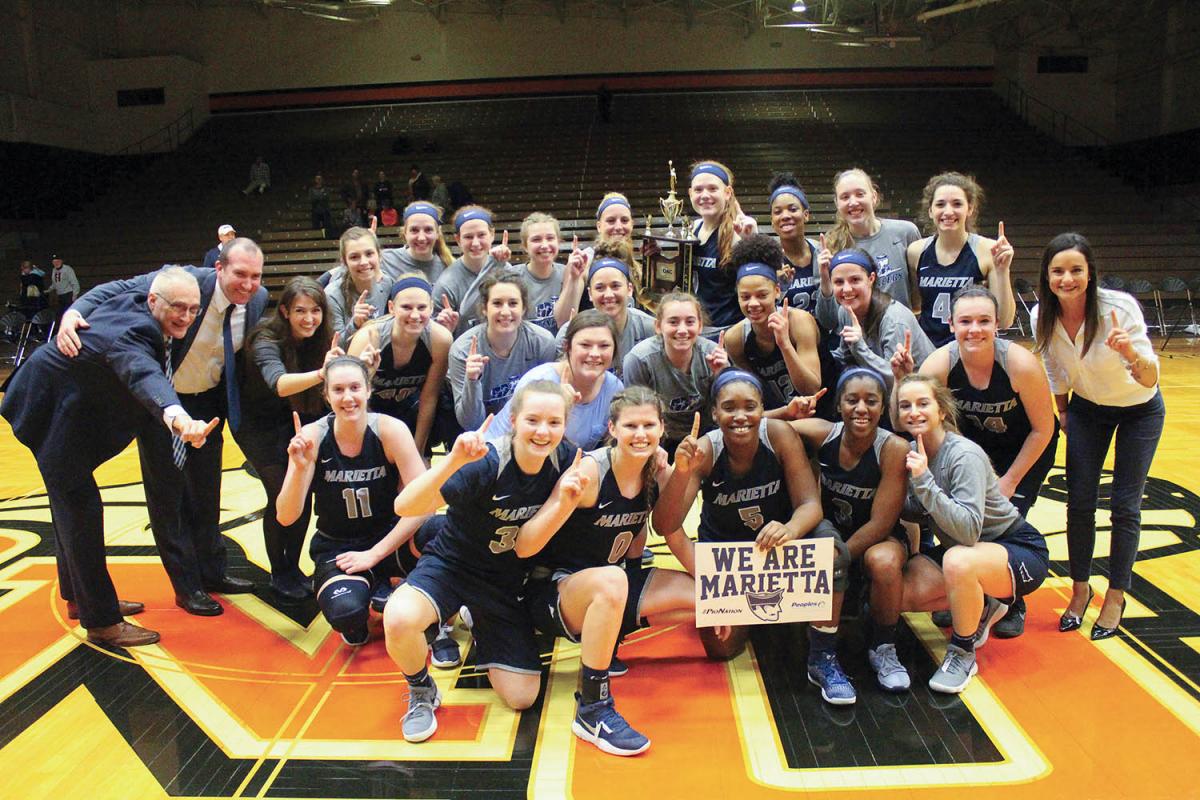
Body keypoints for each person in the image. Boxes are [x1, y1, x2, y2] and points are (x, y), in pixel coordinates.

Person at [2, 267, 218, 646]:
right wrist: (179, 419)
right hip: (50, 412)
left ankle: (77, 597)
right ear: (154, 301)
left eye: (193, 309)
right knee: (82, 513)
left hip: (64, 406)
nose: (185, 317)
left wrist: (71, 313)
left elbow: (113, 285)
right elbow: (142, 373)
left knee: (68, 509)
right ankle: (101, 620)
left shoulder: (143, 298)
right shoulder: (134, 335)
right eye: (178, 308)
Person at [56, 240, 269, 616]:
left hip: (209, 403)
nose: (248, 284)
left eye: (255, 276)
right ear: (219, 268)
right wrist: (74, 312)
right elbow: (116, 288)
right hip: (162, 400)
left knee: (206, 493)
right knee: (168, 497)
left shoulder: (257, 299)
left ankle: (213, 572)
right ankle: (186, 585)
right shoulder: (183, 283)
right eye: (240, 274)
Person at [383, 381, 576, 742]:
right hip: (454, 564)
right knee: (399, 618)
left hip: (504, 580)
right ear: (514, 420)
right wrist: (454, 460)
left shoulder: (566, 460)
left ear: (565, 425)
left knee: (522, 697)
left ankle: (479, 623)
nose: (543, 431)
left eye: (554, 422)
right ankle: (421, 689)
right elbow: (404, 507)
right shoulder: (486, 461)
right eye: (533, 420)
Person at [515, 388, 698, 755]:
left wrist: (681, 474)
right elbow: (525, 545)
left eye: (649, 425)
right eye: (631, 425)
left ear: (663, 428)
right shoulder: (590, 472)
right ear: (613, 428)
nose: (641, 434)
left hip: (609, 588)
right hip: (553, 589)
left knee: (707, 601)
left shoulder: (655, 469)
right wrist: (564, 501)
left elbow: (657, 527)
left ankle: (612, 632)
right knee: (613, 580)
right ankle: (593, 709)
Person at [652, 371, 852, 705]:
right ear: (716, 413)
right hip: (731, 559)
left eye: (750, 406)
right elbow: (664, 525)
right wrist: (681, 473)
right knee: (720, 649)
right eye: (729, 407)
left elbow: (810, 505)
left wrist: (790, 529)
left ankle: (823, 656)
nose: (741, 416)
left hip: (780, 547)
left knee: (832, 551)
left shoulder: (779, 435)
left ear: (762, 409)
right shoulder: (706, 450)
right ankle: (758, 612)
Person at [1030, 232, 1163, 640]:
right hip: (1087, 410)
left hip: (1139, 411)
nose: (1066, 279)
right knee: (1079, 503)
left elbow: (1151, 377)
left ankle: (1116, 595)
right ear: (1047, 275)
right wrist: (1064, 410)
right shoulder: (1042, 315)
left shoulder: (1118, 308)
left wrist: (1129, 353)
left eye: (1076, 270)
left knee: (1125, 506)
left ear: (1090, 273)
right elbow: (1053, 366)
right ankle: (1080, 589)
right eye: (1058, 271)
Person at [894, 374, 1050, 693]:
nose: (914, 411)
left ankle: (963, 652)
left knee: (957, 561)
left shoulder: (963, 455)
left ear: (941, 410)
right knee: (902, 594)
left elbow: (967, 531)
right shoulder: (912, 452)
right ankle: (987, 602)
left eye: (923, 403)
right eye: (905, 405)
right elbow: (915, 509)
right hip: (967, 552)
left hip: (1016, 548)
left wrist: (924, 481)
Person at [277, 357, 427, 645]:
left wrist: (375, 554)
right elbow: (286, 517)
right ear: (327, 395)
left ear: (369, 390)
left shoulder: (390, 430)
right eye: (338, 390)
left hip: (388, 539)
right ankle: (372, 595)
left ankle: (394, 588)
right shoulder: (312, 437)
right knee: (347, 613)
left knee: (440, 532)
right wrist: (297, 468)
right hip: (339, 545)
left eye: (355, 387)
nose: (348, 397)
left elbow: (425, 503)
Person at [788, 368, 911, 691]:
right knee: (823, 543)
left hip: (877, 539)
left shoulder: (893, 448)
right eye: (852, 400)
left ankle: (884, 647)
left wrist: (836, 559)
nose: (861, 409)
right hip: (832, 538)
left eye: (871, 401)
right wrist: (788, 411)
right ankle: (823, 652)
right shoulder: (821, 433)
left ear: (883, 408)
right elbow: (766, 428)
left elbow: (881, 523)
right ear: (839, 406)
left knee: (882, 561)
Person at [240, 277, 338, 601]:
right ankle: (279, 571)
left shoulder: (319, 339)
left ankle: (293, 567)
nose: (309, 318)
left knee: (304, 493)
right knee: (281, 493)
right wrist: (323, 373)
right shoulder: (265, 339)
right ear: (284, 311)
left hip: (297, 418)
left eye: (315, 311)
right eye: (300, 311)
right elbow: (278, 383)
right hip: (258, 425)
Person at [348, 273, 452, 456]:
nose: (415, 315)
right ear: (391, 308)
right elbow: (349, 396)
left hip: (409, 413)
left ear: (431, 309)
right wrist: (367, 373)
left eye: (422, 307)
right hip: (369, 412)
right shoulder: (369, 338)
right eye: (406, 307)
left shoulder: (440, 339)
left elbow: (429, 399)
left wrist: (416, 452)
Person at [487, 310, 623, 450]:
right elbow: (525, 447)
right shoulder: (539, 381)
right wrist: (564, 407)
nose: (595, 354)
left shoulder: (614, 388)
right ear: (567, 347)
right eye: (585, 345)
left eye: (604, 346)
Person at [908, 172, 1016, 347]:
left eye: (957, 204)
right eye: (940, 204)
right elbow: (916, 306)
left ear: (970, 209)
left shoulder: (987, 250)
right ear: (930, 210)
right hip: (927, 350)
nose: (948, 211)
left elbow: (1004, 321)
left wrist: (1003, 271)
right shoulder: (916, 252)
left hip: (972, 347)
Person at [721, 235, 823, 410]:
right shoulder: (735, 339)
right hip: (779, 415)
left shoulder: (800, 321)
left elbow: (811, 388)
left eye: (762, 295)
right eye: (745, 297)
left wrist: (784, 344)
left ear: (777, 291)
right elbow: (755, 396)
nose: (753, 304)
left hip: (820, 411)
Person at [446, 270, 556, 430]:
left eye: (513, 303)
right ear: (484, 308)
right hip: (480, 435)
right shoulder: (463, 350)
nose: (505, 312)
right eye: (497, 303)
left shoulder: (542, 342)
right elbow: (470, 423)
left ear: (524, 308)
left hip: (526, 430)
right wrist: (472, 380)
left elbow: (546, 405)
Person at [622, 291, 727, 454]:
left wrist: (721, 374)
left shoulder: (711, 354)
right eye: (673, 322)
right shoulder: (640, 360)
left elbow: (724, 408)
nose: (682, 330)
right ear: (658, 326)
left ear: (700, 326)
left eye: (690, 322)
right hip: (658, 439)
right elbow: (634, 413)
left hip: (704, 435)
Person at [818, 249, 934, 392]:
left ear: (871, 279)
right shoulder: (846, 310)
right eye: (839, 282)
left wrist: (860, 347)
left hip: (920, 392)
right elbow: (844, 357)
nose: (846, 289)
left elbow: (896, 377)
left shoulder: (894, 320)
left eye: (855, 280)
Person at [823, 168, 921, 311]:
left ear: (874, 196)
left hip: (899, 329)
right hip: (855, 331)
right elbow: (829, 319)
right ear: (837, 203)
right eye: (845, 197)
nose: (853, 202)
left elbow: (918, 296)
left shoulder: (905, 233)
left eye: (860, 194)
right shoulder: (829, 246)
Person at [555, 243, 655, 379]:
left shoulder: (648, 328)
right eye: (600, 288)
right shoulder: (569, 332)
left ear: (629, 289)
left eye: (615, 286)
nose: (608, 295)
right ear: (590, 293)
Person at [432, 205, 513, 338]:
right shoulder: (447, 283)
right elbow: (435, 338)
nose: (475, 243)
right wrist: (445, 328)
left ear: (492, 235)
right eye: (468, 237)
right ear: (458, 240)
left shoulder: (506, 270)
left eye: (481, 235)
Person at [687, 160, 745, 331]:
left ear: (727, 192)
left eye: (712, 189)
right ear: (690, 194)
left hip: (728, 329)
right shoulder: (693, 228)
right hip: (696, 328)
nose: (705, 195)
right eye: (698, 190)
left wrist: (751, 240)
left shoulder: (737, 233)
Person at [513, 212, 584, 333]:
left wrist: (572, 279)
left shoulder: (571, 273)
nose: (545, 245)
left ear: (559, 242)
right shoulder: (513, 277)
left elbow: (565, 323)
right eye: (536, 239)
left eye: (550, 238)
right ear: (525, 246)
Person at [326, 227, 393, 348]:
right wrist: (355, 324)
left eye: (369, 254)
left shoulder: (388, 284)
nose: (363, 262)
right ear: (344, 262)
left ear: (379, 255)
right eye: (354, 257)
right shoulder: (332, 295)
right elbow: (335, 348)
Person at [767, 172, 823, 313]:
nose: (785, 216)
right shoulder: (768, 260)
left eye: (793, 209)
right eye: (778, 212)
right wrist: (780, 288)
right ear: (772, 221)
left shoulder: (822, 252)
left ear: (806, 215)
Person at [381, 201, 453, 284]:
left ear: (437, 233)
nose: (421, 238)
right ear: (405, 233)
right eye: (414, 230)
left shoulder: (449, 268)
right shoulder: (386, 260)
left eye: (428, 230)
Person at [47, 254, 80, 322]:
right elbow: (55, 283)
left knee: (68, 314)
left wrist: (75, 294)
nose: (56, 263)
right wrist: (48, 290)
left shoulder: (67, 269)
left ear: (61, 261)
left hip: (68, 294)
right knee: (60, 314)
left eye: (58, 261)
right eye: (54, 262)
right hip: (60, 295)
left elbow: (74, 282)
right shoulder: (54, 270)